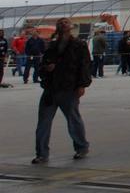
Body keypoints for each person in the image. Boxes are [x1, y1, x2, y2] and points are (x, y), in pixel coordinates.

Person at [32, 17, 91, 164]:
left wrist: (82, 85)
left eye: (65, 22)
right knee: (43, 123)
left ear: (71, 27)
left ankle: (81, 147)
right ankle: (41, 153)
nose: (63, 24)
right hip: (51, 89)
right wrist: (47, 68)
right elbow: (43, 64)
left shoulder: (79, 45)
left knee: (73, 120)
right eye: (60, 23)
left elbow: (84, 65)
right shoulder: (51, 46)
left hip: (68, 88)